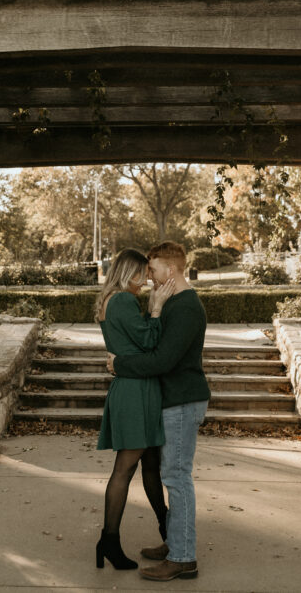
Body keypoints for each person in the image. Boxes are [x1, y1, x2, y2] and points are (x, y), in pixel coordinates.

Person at [109, 241, 209, 582]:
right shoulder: (174, 302)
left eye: (152, 269)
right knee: (171, 475)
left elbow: (162, 360)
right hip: (171, 400)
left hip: (182, 400)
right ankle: (176, 544)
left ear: (172, 270)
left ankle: (183, 558)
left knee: (177, 478)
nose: (148, 276)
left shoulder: (185, 308)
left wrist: (120, 364)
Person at [94, 248, 177, 570]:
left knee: (151, 464)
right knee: (126, 468)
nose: (146, 281)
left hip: (137, 387)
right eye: (142, 274)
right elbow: (149, 343)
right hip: (135, 391)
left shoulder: (109, 300)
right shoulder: (123, 301)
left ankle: (169, 532)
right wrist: (156, 310)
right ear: (129, 272)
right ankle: (109, 541)